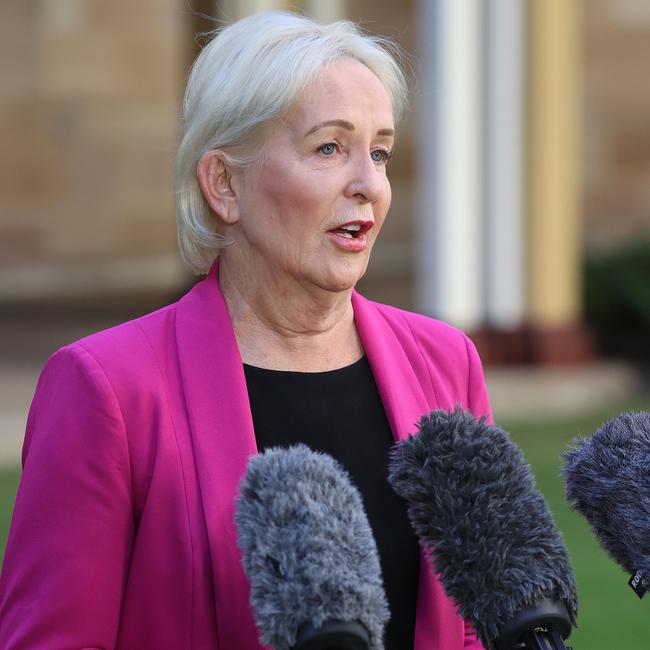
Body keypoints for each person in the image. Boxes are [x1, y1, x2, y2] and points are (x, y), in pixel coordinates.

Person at [0, 11, 491, 650]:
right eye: (329, 148)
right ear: (225, 185)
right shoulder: (108, 389)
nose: (370, 184)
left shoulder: (445, 362)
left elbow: (475, 623)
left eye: (379, 152)